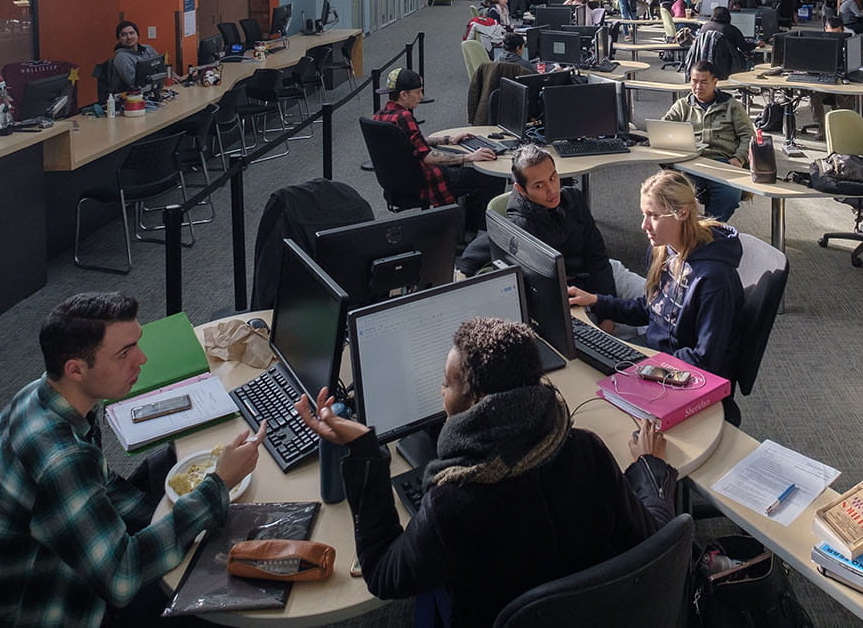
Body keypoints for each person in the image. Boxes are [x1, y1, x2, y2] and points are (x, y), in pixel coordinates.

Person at [295, 318, 676, 628]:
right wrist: (650, 468)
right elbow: (650, 535)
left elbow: (382, 573)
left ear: (476, 402)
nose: (440, 391)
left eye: (447, 384)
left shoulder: (454, 501)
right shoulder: (585, 450)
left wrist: (364, 451)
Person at [0, 292, 262, 627]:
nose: (142, 359)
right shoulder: (60, 459)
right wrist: (216, 487)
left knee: (163, 466)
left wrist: (169, 516)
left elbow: (98, 483)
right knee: (223, 604)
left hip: (36, 569)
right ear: (76, 369)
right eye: (124, 354)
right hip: (44, 607)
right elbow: (122, 578)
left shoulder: (43, 395)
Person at [570, 170, 744, 377]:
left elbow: (705, 360)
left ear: (683, 213)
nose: (644, 225)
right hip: (657, 357)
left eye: (653, 216)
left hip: (685, 375)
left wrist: (646, 365)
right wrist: (595, 300)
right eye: (644, 214)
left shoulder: (714, 280)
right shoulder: (666, 250)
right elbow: (651, 309)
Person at [371, 68, 503, 233]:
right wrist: (469, 156)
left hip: (400, 181)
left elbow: (408, 143)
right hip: (423, 180)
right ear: (403, 94)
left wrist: (445, 140)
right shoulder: (404, 116)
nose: (421, 96)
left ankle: (465, 229)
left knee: (460, 168)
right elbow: (427, 156)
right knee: (491, 178)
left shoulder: (380, 116)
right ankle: (482, 234)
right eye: (418, 92)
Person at [504, 145, 642, 296]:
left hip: (601, 274)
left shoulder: (573, 199)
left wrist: (605, 312)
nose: (552, 190)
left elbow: (597, 257)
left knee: (662, 301)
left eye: (553, 177)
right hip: (567, 291)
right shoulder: (519, 225)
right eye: (539, 186)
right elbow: (477, 253)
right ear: (521, 190)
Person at [662, 64, 752, 222]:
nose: (698, 87)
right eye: (694, 81)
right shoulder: (683, 105)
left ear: (715, 82)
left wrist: (739, 158)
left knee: (729, 196)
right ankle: (690, 230)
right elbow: (663, 128)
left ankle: (708, 230)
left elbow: (748, 136)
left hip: (722, 161)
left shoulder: (732, 106)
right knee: (673, 193)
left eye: (704, 82)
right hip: (690, 161)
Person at [107, 20, 163, 94]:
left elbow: (162, 66)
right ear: (119, 39)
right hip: (133, 99)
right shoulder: (121, 57)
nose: (129, 37)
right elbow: (135, 84)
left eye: (132, 33)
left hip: (154, 90)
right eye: (124, 35)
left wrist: (172, 75)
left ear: (137, 35)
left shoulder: (148, 48)